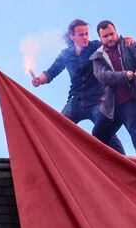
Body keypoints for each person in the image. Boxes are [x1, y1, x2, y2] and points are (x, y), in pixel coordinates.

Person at [33, 20, 123, 154]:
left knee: (107, 130)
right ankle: (51, 158)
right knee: (57, 128)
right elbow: (51, 72)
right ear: (72, 37)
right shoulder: (66, 54)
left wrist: (126, 41)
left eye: (87, 34)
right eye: (81, 35)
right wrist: (39, 80)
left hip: (97, 101)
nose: (85, 37)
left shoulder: (96, 46)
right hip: (75, 101)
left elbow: (113, 44)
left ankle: (123, 161)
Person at [90, 20, 136, 157]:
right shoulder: (97, 57)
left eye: (111, 34)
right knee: (97, 136)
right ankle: (111, 165)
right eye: (105, 36)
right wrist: (125, 75)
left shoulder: (128, 43)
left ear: (116, 32)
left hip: (133, 100)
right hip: (112, 106)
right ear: (100, 38)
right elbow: (103, 76)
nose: (110, 38)